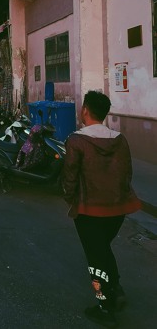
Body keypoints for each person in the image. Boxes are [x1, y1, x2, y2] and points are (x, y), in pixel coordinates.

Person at [62, 90, 141, 328]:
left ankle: (104, 305)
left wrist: (70, 200)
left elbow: (69, 178)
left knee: (95, 259)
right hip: (118, 208)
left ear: (85, 110)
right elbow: (127, 173)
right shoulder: (119, 139)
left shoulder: (76, 140)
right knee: (103, 249)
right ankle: (115, 288)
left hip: (89, 210)